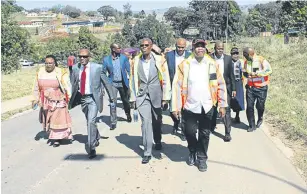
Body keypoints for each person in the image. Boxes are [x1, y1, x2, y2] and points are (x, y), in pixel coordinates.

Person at [171, 38, 227, 172]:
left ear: (205, 48)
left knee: (205, 133)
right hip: (189, 106)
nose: (200, 48)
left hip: (207, 105)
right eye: (197, 46)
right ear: (193, 48)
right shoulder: (185, 65)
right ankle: (192, 151)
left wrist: (222, 104)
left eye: (202, 46)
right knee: (189, 132)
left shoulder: (212, 64)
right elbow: (176, 87)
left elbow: (220, 84)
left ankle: (201, 158)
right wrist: (175, 107)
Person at [130, 38, 171, 164]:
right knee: (145, 123)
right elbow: (132, 80)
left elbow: (166, 78)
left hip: (157, 94)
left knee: (156, 120)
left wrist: (166, 97)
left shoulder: (159, 60)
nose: (144, 47)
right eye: (141, 45)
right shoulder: (135, 61)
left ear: (151, 46)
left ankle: (157, 140)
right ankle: (147, 152)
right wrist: (133, 98)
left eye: (146, 45)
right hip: (142, 96)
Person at [69, 49, 115, 159]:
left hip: (93, 98)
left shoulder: (97, 68)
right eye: (80, 56)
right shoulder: (75, 68)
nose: (82, 58)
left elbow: (106, 83)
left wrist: (112, 97)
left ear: (89, 57)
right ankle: (96, 135)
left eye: (84, 56)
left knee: (91, 121)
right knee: (90, 121)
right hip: (83, 99)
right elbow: (73, 83)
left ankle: (91, 147)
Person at [32, 55, 72, 147]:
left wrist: (68, 97)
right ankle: (52, 135)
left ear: (54, 63)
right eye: (46, 63)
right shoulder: (40, 72)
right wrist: (35, 99)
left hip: (57, 99)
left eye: (50, 63)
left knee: (56, 119)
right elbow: (36, 86)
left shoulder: (60, 72)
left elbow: (67, 85)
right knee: (48, 118)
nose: (48, 65)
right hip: (45, 99)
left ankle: (56, 138)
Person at [165, 38, 191, 139]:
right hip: (172, 86)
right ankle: (176, 122)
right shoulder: (169, 56)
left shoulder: (190, 56)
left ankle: (184, 132)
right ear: (175, 46)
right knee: (172, 110)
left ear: (185, 47)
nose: (180, 49)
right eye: (178, 47)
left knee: (184, 110)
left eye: (182, 47)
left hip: (185, 87)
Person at [210, 41, 236, 142]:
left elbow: (231, 75)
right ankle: (211, 127)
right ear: (214, 48)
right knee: (212, 109)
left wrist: (233, 89)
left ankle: (227, 133)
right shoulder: (209, 58)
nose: (220, 50)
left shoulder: (228, 59)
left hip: (225, 88)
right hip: (212, 87)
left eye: (222, 49)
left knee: (226, 109)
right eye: (218, 48)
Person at [242, 47, 272, 132]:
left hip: (261, 88)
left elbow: (269, 70)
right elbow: (245, 72)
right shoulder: (246, 62)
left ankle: (260, 117)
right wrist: (245, 75)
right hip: (250, 88)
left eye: (245, 55)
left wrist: (258, 73)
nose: (244, 57)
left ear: (250, 54)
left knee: (260, 106)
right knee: (249, 107)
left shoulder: (261, 60)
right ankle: (251, 125)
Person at [102, 43, 132, 130]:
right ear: (113, 49)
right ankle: (113, 121)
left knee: (125, 101)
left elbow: (129, 70)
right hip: (112, 84)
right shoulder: (106, 60)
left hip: (123, 83)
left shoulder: (123, 58)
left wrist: (130, 81)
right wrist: (104, 85)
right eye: (118, 48)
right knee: (113, 102)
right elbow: (103, 73)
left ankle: (128, 113)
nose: (120, 49)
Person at [230, 47, 245, 123]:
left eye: (236, 53)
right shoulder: (228, 62)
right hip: (230, 83)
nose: (235, 55)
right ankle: (227, 116)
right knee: (230, 99)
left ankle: (237, 116)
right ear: (231, 55)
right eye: (233, 54)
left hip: (238, 82)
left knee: (238, 99)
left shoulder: (241, 62)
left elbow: (245, 70)